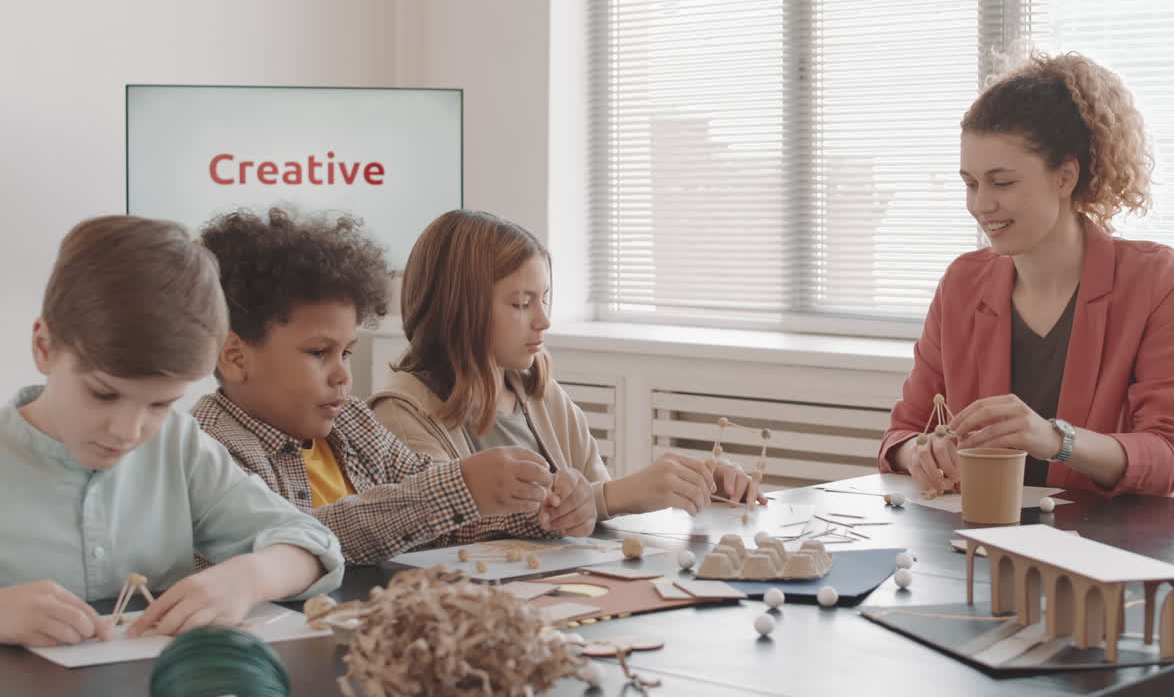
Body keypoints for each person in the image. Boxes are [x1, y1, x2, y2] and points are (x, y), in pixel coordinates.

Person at [0, 216, 342, 648]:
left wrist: (249, 577)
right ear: (44, 348)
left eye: (161, 404)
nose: (127, 431)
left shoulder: (178, 446)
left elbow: (314, 544)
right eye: (103, 395)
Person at [879, 51, 1174, 496]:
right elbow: (899, 437)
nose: (980, 205)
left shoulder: (1156, 281)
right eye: (970, 184)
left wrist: (1055, 440)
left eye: (1002, 182)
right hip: (971, 540)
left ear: (1065, 177)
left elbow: (1169, 456)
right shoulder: (961, 283)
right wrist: (919, 453)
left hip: (1095, 548)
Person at [193, 209, 580, 566]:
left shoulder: (353, 423)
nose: (343, 375)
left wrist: (538, 508)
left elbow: (444, 507)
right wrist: (461, 487)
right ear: (235, 357)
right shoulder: (209, 449)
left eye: (346, 352)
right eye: (318, 352)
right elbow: (295, 539)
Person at [369, 209, 766, 520]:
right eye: (521, 304)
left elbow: (595, 516)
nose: (543, 320)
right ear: (458, 309)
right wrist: (621, 494)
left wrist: (692, 487)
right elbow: (445, 532)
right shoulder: (399, 416)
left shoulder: (542, 397)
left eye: (545, 299)